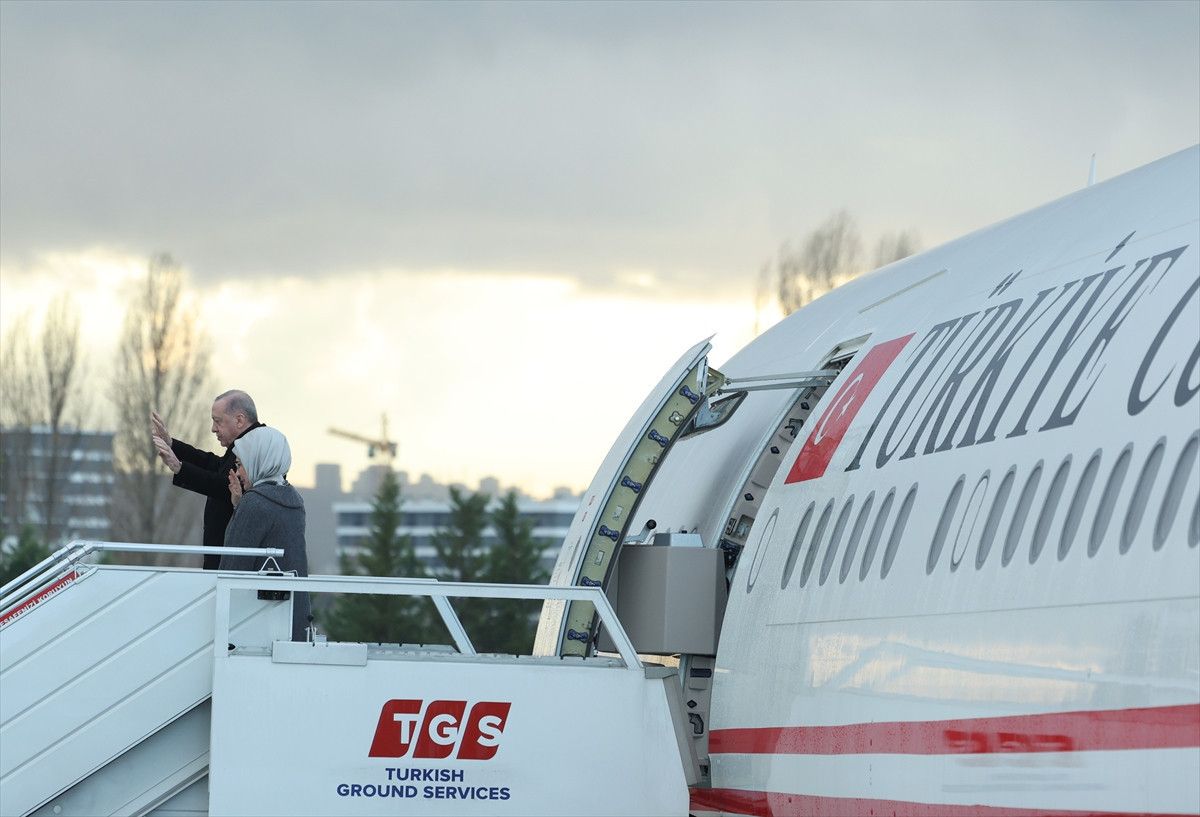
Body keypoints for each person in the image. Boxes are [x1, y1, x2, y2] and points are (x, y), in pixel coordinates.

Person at [152, 390, 264, 569]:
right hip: (227, 560)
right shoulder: (247, 443)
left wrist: (180, 468)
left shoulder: (258, 446)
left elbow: (225, 486)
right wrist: (172, 444)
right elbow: (214, 465)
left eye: (218, 421)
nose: (213, 428)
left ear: (239, 420)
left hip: (234, 564)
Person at [220, 425, 310, 641]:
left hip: (258, 629)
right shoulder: (294, 500)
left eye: (240, 464)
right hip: (294, 621)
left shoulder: (255, 503)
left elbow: (232, 568)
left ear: (258, 460)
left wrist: (240, 510)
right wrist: (240, 506)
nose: (238, 473)